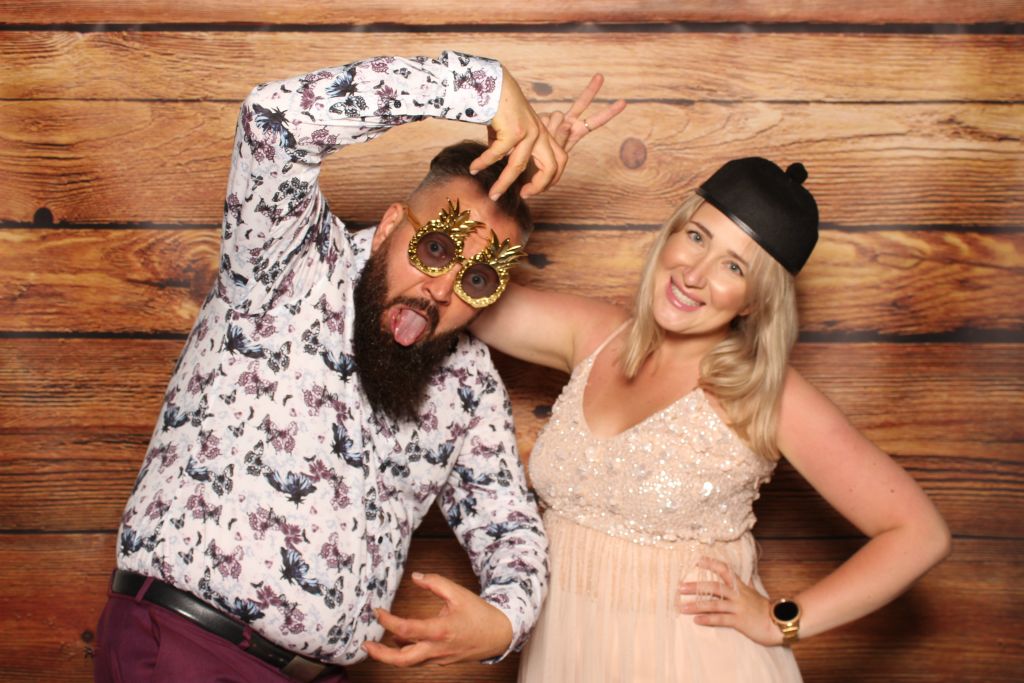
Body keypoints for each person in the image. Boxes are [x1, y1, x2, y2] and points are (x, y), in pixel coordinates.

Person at [93, 50, 621, 682]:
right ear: (391, 224)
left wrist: (505, 623)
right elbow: (273, 121)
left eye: (478, 279)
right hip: (188, 650)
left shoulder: (469, 382)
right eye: (434, 248)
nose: (441, 289)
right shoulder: (287, 260)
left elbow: (509, 528)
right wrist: (479, 86)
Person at [472, 146, 952, 680]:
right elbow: (464, 295)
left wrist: (780, 620)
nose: (694, 274)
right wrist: (507, 184)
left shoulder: (765, 394)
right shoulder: (593, 335)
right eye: (697, 238)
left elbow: (918, 533)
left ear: (754, 301)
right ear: (672, 234)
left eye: (733, 267)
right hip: (566, 657)